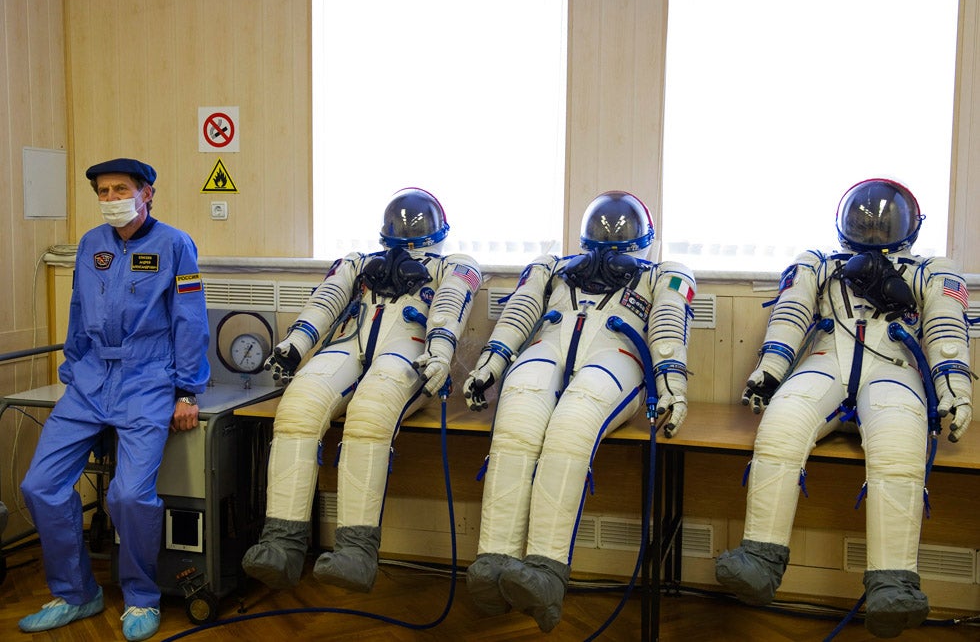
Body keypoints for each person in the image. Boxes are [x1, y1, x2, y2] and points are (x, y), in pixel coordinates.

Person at [715, 178, 974, 638]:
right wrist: (770, 371)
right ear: (845, 222)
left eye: (884, 223)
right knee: (782, 423)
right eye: (863, 222)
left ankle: (893, 584)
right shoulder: (818, 264)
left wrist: (955, 389)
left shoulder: (932, 271)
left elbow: (946, 331)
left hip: (894, 368)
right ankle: (759, 556)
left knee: (898, 444)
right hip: (825, 360)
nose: (873, 230)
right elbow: (790, 315)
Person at [462, 191, 695, 632]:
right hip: (547, 348)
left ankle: (546, 572)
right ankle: (494, 562)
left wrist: (672, 387)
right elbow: (520, 312)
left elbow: (668, 325)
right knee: (515, 426)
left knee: (572, 427)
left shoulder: (665, 274)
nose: (611, 242)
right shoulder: (552, 267)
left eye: (622, 234)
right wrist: (490, 366)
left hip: (618, 357)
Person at [241, 187, 482, 593]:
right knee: (298, 406)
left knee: (370, 413)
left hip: (411, 350)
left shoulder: (454, 266)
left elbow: (450, 306)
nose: (408, 227)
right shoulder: (358, 262)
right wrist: (294, 347)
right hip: (350, 343)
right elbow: (327, 300)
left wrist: (440, 352)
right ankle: (281, 543)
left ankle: (355, 551)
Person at [18, 158, 210, 641]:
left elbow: (190, 319)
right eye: (102, 192)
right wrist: (71, 370)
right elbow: (79, 309)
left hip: (148, 379)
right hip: (88, 381)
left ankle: (141, 598)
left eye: (120, 189)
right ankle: (77, 593)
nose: (110, 199)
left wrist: (187, 389)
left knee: (128, 495)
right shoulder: (90, 244)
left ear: (147, 193)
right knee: (40, 485)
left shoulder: (175, 244)